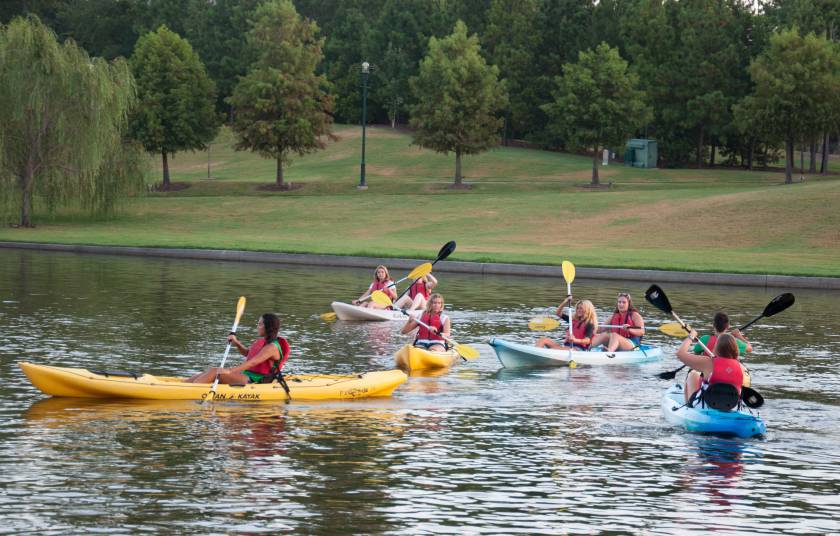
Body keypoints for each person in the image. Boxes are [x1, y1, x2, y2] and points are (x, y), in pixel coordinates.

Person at [185, 313, 290, 385]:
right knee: (210, 371)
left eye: (260, 324)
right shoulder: (265, 342)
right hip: (247, 375)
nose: (257, 326)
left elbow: (251, 363)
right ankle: (182, 385)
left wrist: (229, 371)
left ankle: (189, 391)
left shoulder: (271, 347)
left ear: (268, 327)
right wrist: (237, 343)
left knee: (215, 372)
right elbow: (248, 354)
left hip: (256, 380)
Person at [677, 330, 746, 404]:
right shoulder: (741, 367)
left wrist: (691, 336)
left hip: (707, 404)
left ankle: (688, 406)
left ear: (716, 347)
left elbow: (680, 354)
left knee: (692, 374)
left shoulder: (709, 362)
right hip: (731, 405)